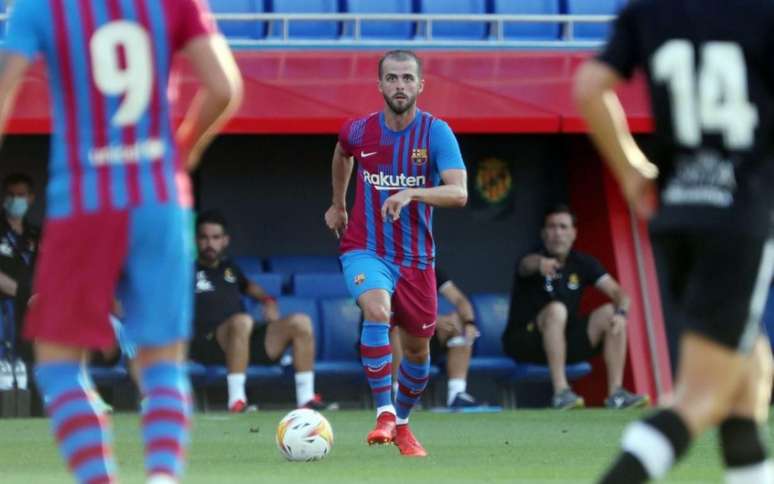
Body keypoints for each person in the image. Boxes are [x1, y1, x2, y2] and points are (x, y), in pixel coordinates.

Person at [0, 0, 243, 482]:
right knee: (162, 366)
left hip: (83, 200)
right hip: (159, 198)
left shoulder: (38, 7)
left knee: (59, 366)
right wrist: (184, 150)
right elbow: (223, 88)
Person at [574, 1, 774, 482]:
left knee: (747, 379)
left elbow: (589, 87)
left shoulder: (649, 10)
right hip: (739, 215)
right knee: (699, 400)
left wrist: (630, 171)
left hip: (678, 212)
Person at [325, 49, 468, 457]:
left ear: (421, 85)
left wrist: (411, 192)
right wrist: (338, 203)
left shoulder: (436, 133)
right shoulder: (360, 131)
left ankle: (402, 424)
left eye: (407, 78)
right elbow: (341, 152)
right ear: (380, 85)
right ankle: (385, 412)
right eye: (392, 78)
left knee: (419, 353)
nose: (400, 85)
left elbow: (459, 193)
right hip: (365, 248)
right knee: (376, 310)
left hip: (417, 262)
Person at [502, 205, 648, 410]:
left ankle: (616, 394)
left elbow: (619, 294)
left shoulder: (583, 263)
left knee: (610, 313)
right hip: (525, 342)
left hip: (563, 343)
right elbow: (526, 265)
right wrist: (540, 263)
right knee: (557, 310)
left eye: (563, 227)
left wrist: (622, 313)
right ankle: (562, 393)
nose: (557, 233)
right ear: (544, 233)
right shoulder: (533, 257)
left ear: (573, 233)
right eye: (552, 227)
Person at [191, 210, 331, 413]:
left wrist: (268, 301)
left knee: (300, 322)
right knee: (242, 321)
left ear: (225, 240)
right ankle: (237, 400)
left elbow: (250, 287)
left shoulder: (230, 269)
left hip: (244, 341)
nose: (210, 243)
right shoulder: (187, 271)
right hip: (210, 344)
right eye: (204, 237)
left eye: (215, 237)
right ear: (196, 240)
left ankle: (306, 398)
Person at [390, 266, 483, 409]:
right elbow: (390, 309)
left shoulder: (428, 268)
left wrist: (469, 322)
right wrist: (431, 320)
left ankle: (457, 393)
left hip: (421, 339)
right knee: (397, 325)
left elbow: (459, 299)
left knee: (458, 324)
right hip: (381, 345)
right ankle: (400, 392)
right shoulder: (386, 267)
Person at [0, 173, 40, 365]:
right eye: (10, 194)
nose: (15, 199)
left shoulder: (37, 234)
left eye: (21, 195)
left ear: (31, 198)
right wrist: (26, 293)